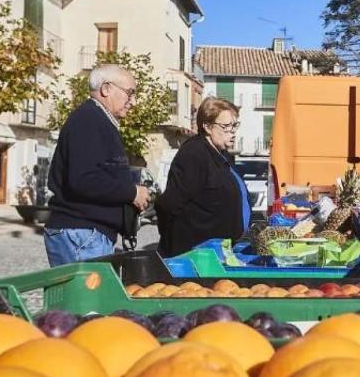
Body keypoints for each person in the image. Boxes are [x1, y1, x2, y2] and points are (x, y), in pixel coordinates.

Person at [44, 64, 150, 266]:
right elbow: (84, 179)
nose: (133, 102)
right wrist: (132, 192)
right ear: (106, 89)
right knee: (86, 299)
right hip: (83, 233)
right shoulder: (89, 120)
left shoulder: (97, 120)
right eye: (130, 93)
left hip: (87, 233)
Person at [156, 97, 251, 257]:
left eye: (234, 125)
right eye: (226, 126)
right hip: (198, 253)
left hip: (225, 250)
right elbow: (170, 204)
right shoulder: (194, 154)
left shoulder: (223, 155)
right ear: (207, 126)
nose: (233, 132)